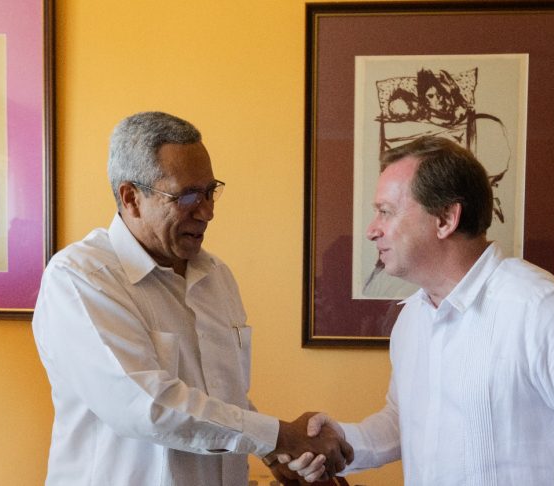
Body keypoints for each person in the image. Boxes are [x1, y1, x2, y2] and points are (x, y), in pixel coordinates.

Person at [280, 136, 554, 484]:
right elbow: (405, 422)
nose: (371, 229)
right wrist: (340, 440)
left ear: (446, 219)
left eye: (386, 211)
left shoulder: (543, 311)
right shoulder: (412, 319)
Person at [32, 111, 351, 485]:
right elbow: (145, 404)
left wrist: (272, 453)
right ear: (131, 198)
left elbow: (223, 398)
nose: (208, 212)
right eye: (186, 196)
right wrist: (279, 436)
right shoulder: (80, 277)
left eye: (210, 191)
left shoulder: (217, 277)